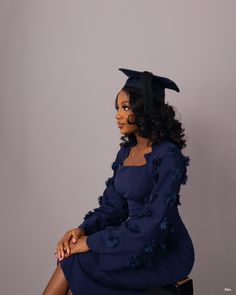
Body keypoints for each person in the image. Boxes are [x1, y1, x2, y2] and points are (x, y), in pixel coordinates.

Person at [42, 68, 195, 295]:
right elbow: (112, 209)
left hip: (165, 250)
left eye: (125, 108)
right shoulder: (125, 153)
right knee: (72, 257)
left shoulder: (169, 156)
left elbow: (154, 222)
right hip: (131, 241)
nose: (117, 115)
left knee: (75, 262)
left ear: (145, 109)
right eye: (117, 108)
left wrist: (92, 243)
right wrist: (80, 232)